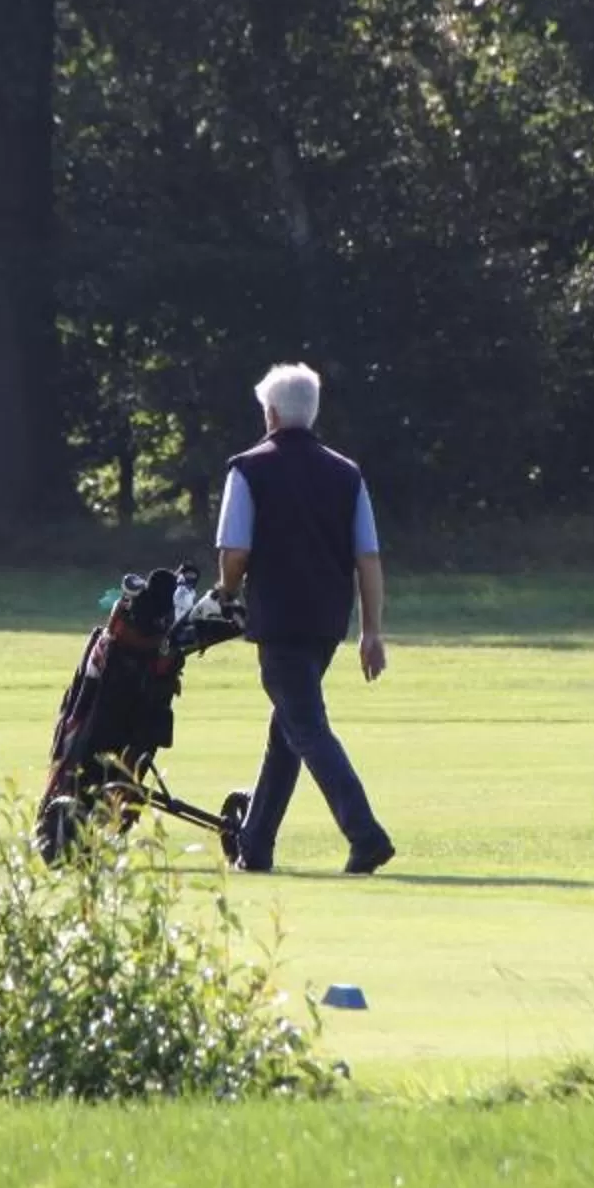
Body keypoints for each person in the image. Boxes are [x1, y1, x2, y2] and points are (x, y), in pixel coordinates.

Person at [212, 362, 395, 876]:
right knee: (288, 729)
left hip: (277, 619)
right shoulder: (347, 473)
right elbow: (368, 558)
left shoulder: (248, 468)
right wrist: (372, 631)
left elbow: (235, 552)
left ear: (270, 414)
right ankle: (255, 846)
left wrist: (226, 593)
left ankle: (366, 835)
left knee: (307, 728)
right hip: (327, 623)